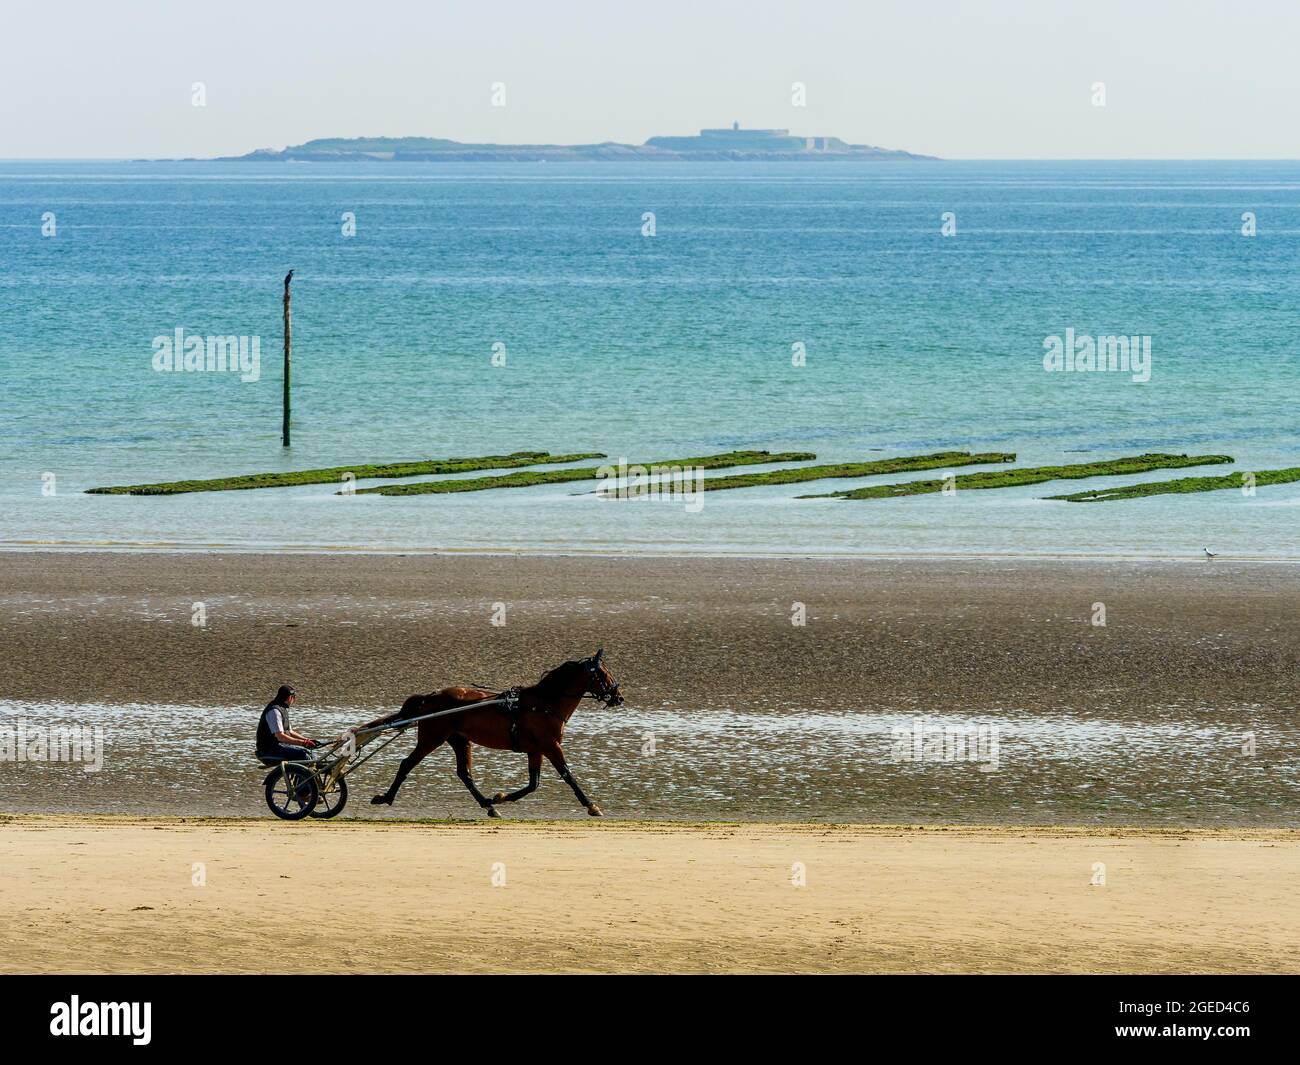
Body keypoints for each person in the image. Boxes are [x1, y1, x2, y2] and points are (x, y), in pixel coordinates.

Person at [255, 684, 318, 763]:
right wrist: (303, 743)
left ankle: (307, 774)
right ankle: (306, 775)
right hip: (268, 750)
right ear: (290, 698)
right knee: (304, 755)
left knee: (312, 754)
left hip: (279, 746)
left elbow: (290, 732)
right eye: (294, 698)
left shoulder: (282, 709)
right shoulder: (274, 711)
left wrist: (307, 740)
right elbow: (280, 737)